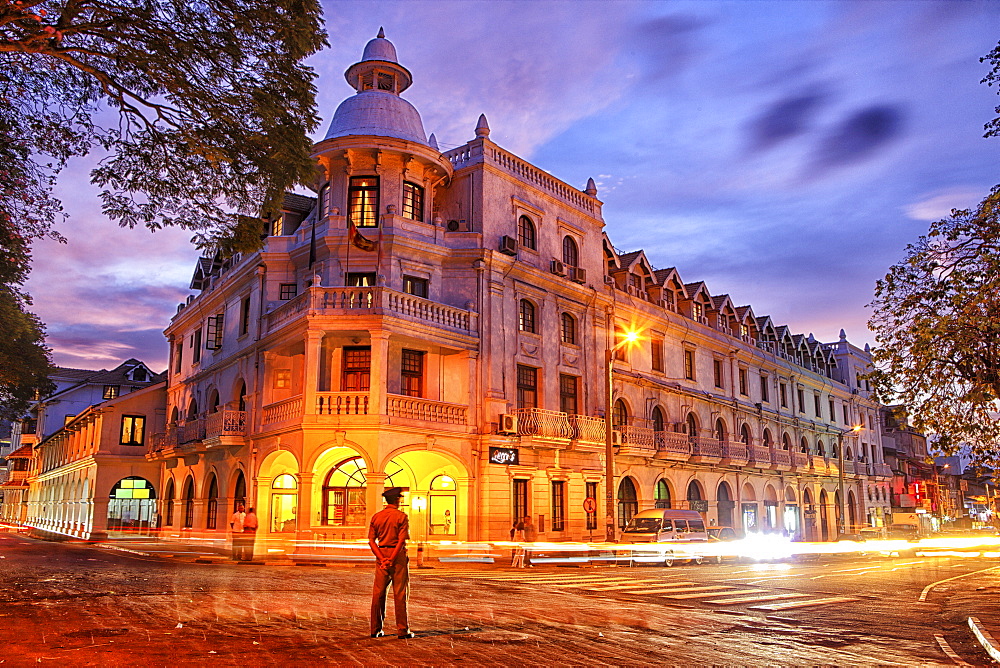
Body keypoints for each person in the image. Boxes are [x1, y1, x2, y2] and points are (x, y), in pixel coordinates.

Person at [368, 487, 414, 640]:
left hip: (381, 553)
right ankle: (402, 629)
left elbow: (371, 541)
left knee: (378, 593)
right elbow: (401, 541)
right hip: (397, 556)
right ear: (397, 500)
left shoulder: (376, 517)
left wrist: (382, 559)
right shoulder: (402, 517)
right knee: (400, 593)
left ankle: (375, 629)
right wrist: (391, 559)